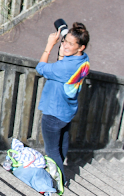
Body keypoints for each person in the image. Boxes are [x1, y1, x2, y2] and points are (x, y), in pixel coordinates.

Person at [36, 22, 90, 187]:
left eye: (70, 44)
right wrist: (63, 54)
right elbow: (61, 68)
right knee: (62, 142)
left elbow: (41, 68)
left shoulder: (66, 67)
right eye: (64, 41)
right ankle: (59, 171)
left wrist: (49, 45)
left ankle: (59, 181)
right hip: (67, 110)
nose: (65, 45)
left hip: (54, 112)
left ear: (81, 47)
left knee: (52, 150)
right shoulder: (83, 59)